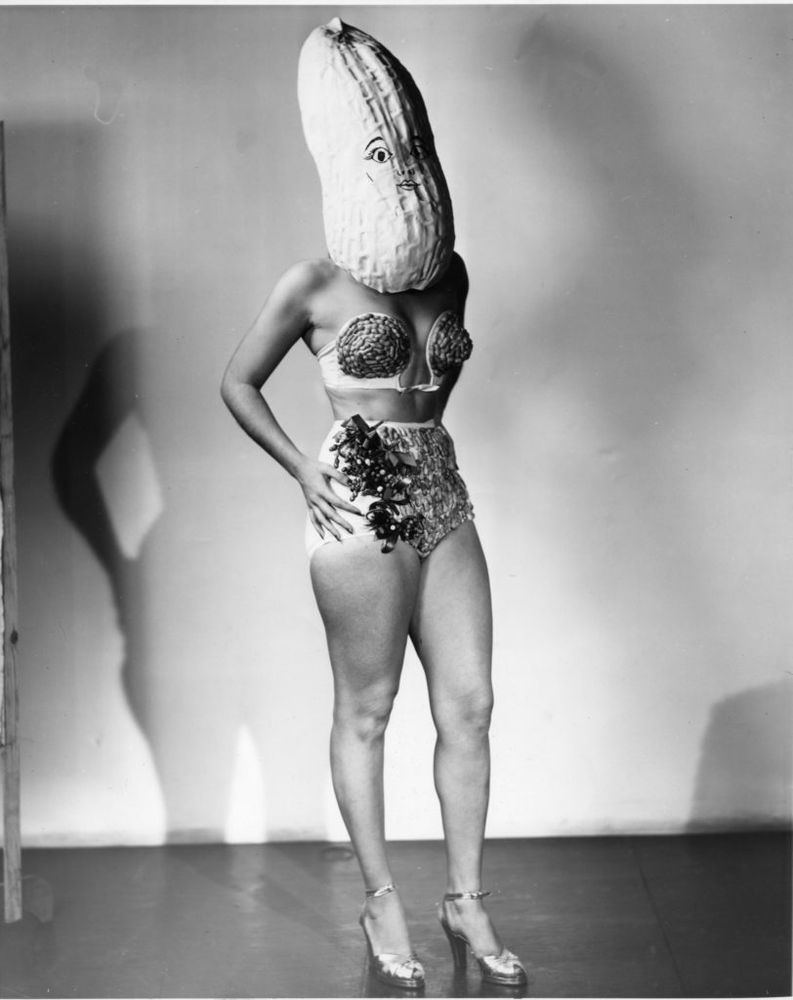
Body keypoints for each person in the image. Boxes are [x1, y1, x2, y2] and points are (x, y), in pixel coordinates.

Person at [221, 19, 527, 991]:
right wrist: (304, 472)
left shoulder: (451, 270)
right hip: (359, 495)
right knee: (369, 706)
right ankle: (381, 893)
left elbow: (437, 387)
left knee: (470, 703)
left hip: (438, 485)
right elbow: (238, 382)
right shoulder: (313, 281)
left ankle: (465, 897)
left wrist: (419, 438)